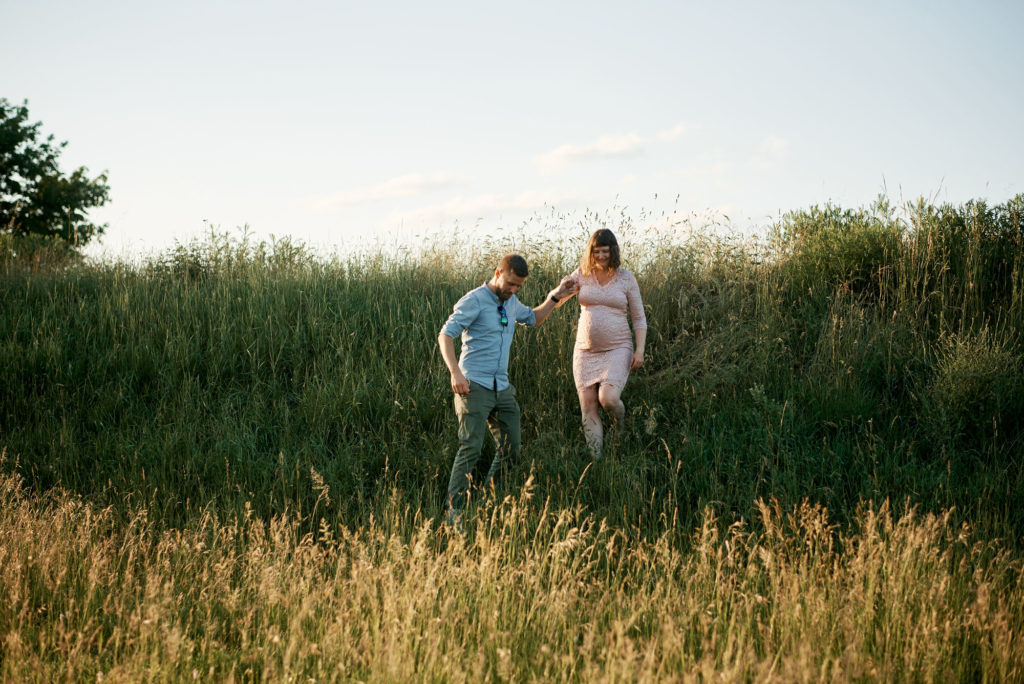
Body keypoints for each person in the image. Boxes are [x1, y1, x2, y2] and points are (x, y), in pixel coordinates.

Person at [438, 254, 577, 528]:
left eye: (518, 286)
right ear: (498, 273)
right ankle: (453, 513)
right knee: (471, 447)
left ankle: (486, 504)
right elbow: (446, 335)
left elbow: (533, 318)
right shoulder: (474, 300)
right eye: (510, 283)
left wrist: (556, 296)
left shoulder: (511, 302)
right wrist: (455, 372)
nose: (513, 290)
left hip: (502, 387)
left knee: (511, 449)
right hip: (473, 385)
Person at [558, 229, 647, 460]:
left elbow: (639, 318)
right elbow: (558, 300)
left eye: (604, 251)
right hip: (585, 351)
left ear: (613, 251)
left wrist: (640, 350)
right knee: (588, 406)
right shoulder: (582, 274)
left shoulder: (626, 278)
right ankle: (596, 461)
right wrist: (560, 289)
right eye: (595, 251)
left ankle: (620, 426)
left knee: (608, 399)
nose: (600, 256)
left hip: (618, 347)